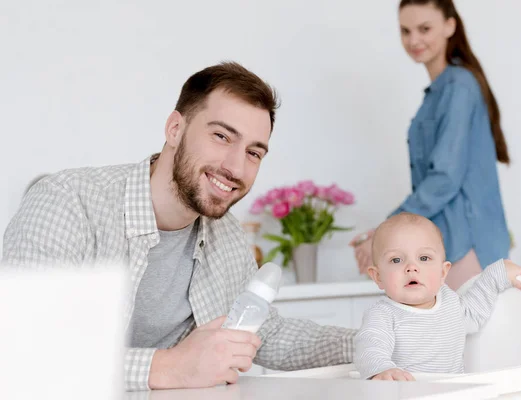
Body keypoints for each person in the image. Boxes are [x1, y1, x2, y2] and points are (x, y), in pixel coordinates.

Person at [2, 62, 356, 391]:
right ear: (175, 129)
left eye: (254, 153)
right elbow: (19, 343)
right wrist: (169, 366)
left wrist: (375, 340)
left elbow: (266, 332)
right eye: (221, 136)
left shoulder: (227, 235)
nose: (235, 166)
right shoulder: (68, 202)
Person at [350, 0, 511, 290]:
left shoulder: (458, 87)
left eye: (424, 29)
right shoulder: (439, 93)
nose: (414, 40)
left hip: (467, 243)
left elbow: (445, 177)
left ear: (450, 25)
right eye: (405, 31)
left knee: (465, 334)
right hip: (451, 242)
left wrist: (385, 231)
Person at [353, 212, 521, 380]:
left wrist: (496, 274)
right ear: (378, 277)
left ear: (443, 272)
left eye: (424, 258)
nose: (412, 267)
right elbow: (370, 346)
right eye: (396, 260)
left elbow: (473, 313)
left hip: (451, 393)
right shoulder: (382, 315)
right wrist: (382, 370)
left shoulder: (449, 301)